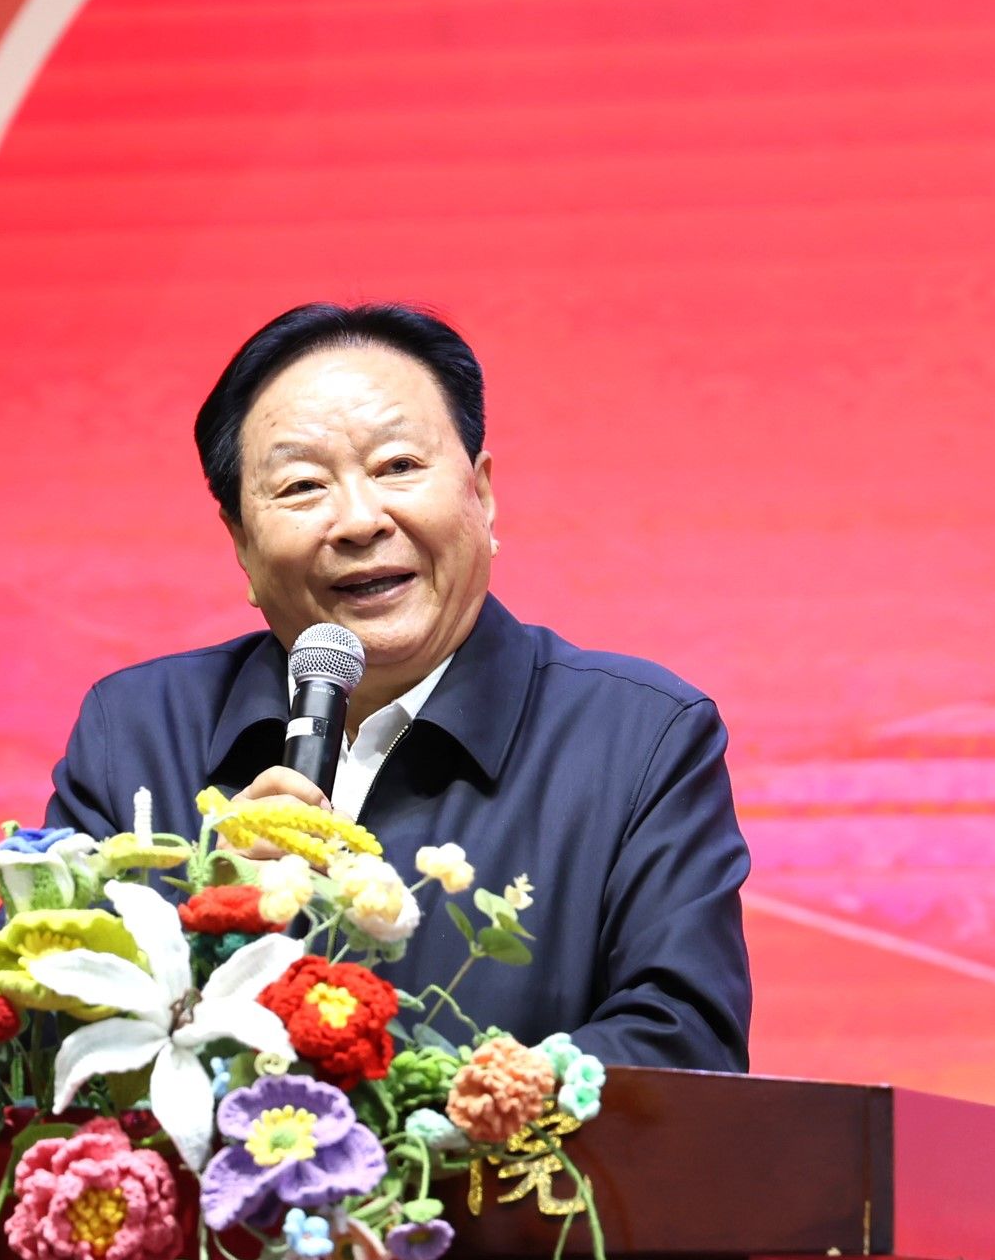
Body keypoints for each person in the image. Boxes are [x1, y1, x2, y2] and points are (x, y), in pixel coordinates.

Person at [43, 302, 751, 1072]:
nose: (358, 520)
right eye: (302, 485)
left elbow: (683, 1045)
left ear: (482, 496)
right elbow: (39, 1043)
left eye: (398, 467)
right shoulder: (137, 735)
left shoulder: (639, 740)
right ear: (241, 544)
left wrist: (429, 1120)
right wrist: (210, 924)